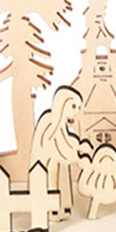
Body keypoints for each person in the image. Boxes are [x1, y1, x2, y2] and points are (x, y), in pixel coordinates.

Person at [29, 87, 84, 220]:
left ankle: (63, 206)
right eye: (73, 106)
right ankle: (52, 210)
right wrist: (75, 154)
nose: (76, 112)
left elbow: (65, 143)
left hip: (60, 165)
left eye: (78, 108)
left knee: (62, 180)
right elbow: (57, 148)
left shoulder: (62, 125)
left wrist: (77, 149)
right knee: (52, 181)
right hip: (49, 166)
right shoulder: (49, 122)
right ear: (63, 104)